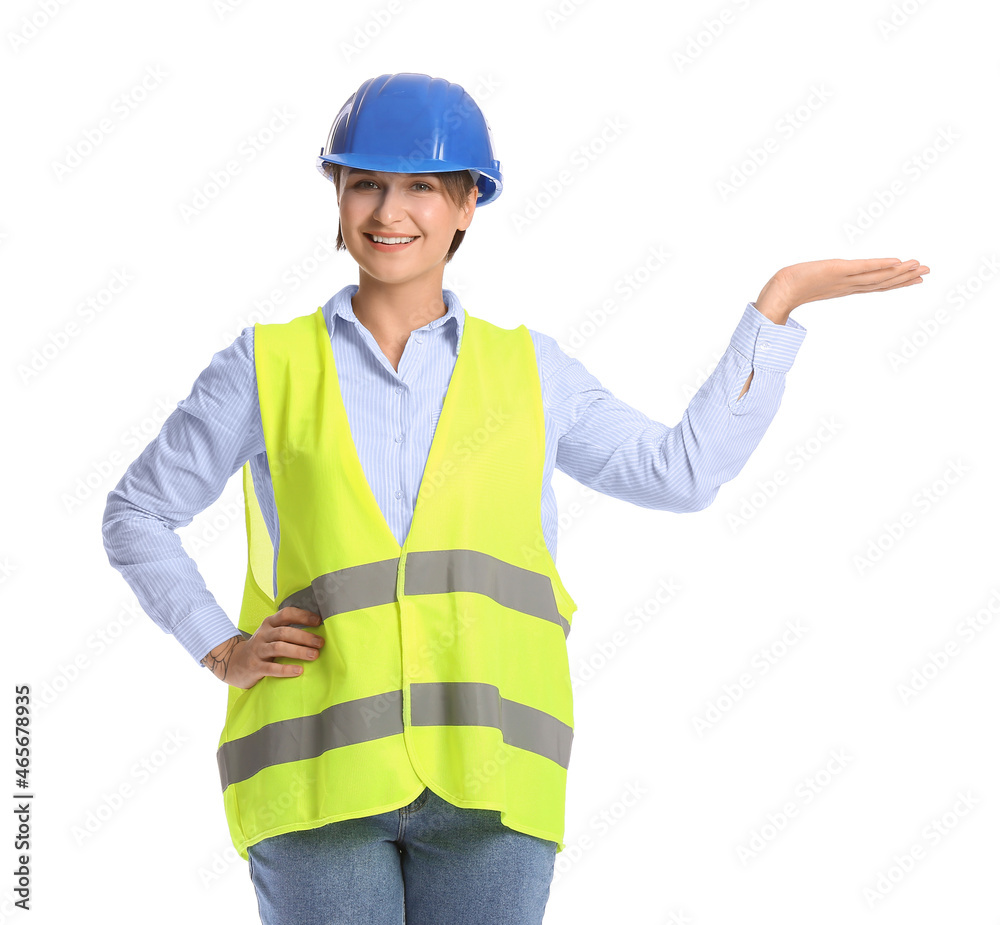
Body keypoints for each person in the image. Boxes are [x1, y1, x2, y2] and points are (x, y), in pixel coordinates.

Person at [102, 72, 929, 925]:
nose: (390, 212)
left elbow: (682, 473)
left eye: (422, 186)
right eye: (366, 185)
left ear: (468, 205)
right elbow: (136, 513)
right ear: (338, 196)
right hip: (317, 776)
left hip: (493, 783)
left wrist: (778, 308)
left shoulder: (531, 372)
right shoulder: (266, 366)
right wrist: (219, 646)